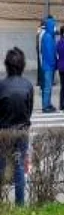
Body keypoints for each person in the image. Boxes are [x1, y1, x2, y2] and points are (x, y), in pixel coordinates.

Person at [0, 48, 33, 206]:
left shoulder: (1, 85)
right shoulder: (28, 85)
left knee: (1, 165)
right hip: (21, 132)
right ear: (22, 65)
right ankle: (20, 204)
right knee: (20, 167)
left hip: (4, 132)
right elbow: (29, 110)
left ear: (6, 65)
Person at [39, 16, 57, 113]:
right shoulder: (48, 37)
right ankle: (45, 106)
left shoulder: (49, 36)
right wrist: (54, 63)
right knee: (47, 87)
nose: (55, 27)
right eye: (54, 25)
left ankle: (48, 104)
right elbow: (50, 53)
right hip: (48, 66)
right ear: (50, 25)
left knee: (48, 86)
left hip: (48, 65)